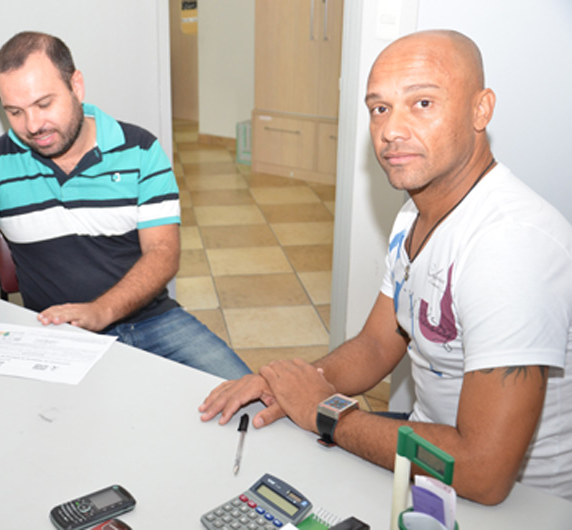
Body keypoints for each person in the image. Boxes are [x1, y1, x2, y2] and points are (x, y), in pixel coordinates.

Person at [199, 29, 572, 505]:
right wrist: (292, 383)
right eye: (379, 108)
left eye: (422, 103)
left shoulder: (511, 246)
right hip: (427, 450)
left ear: (481, 109)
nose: (391, 130)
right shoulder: (415, 212)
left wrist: (327, 414)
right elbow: (378, 344)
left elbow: (483, 471)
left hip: (520, 502)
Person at [0, 31, 250, 380]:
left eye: (44, 104)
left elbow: (163, 252)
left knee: (249, 401)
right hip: (60, 336)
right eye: (15, 112)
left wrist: (102, 311)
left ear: (76, 86)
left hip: (155, 321)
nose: (32, 126)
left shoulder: (140, 151)